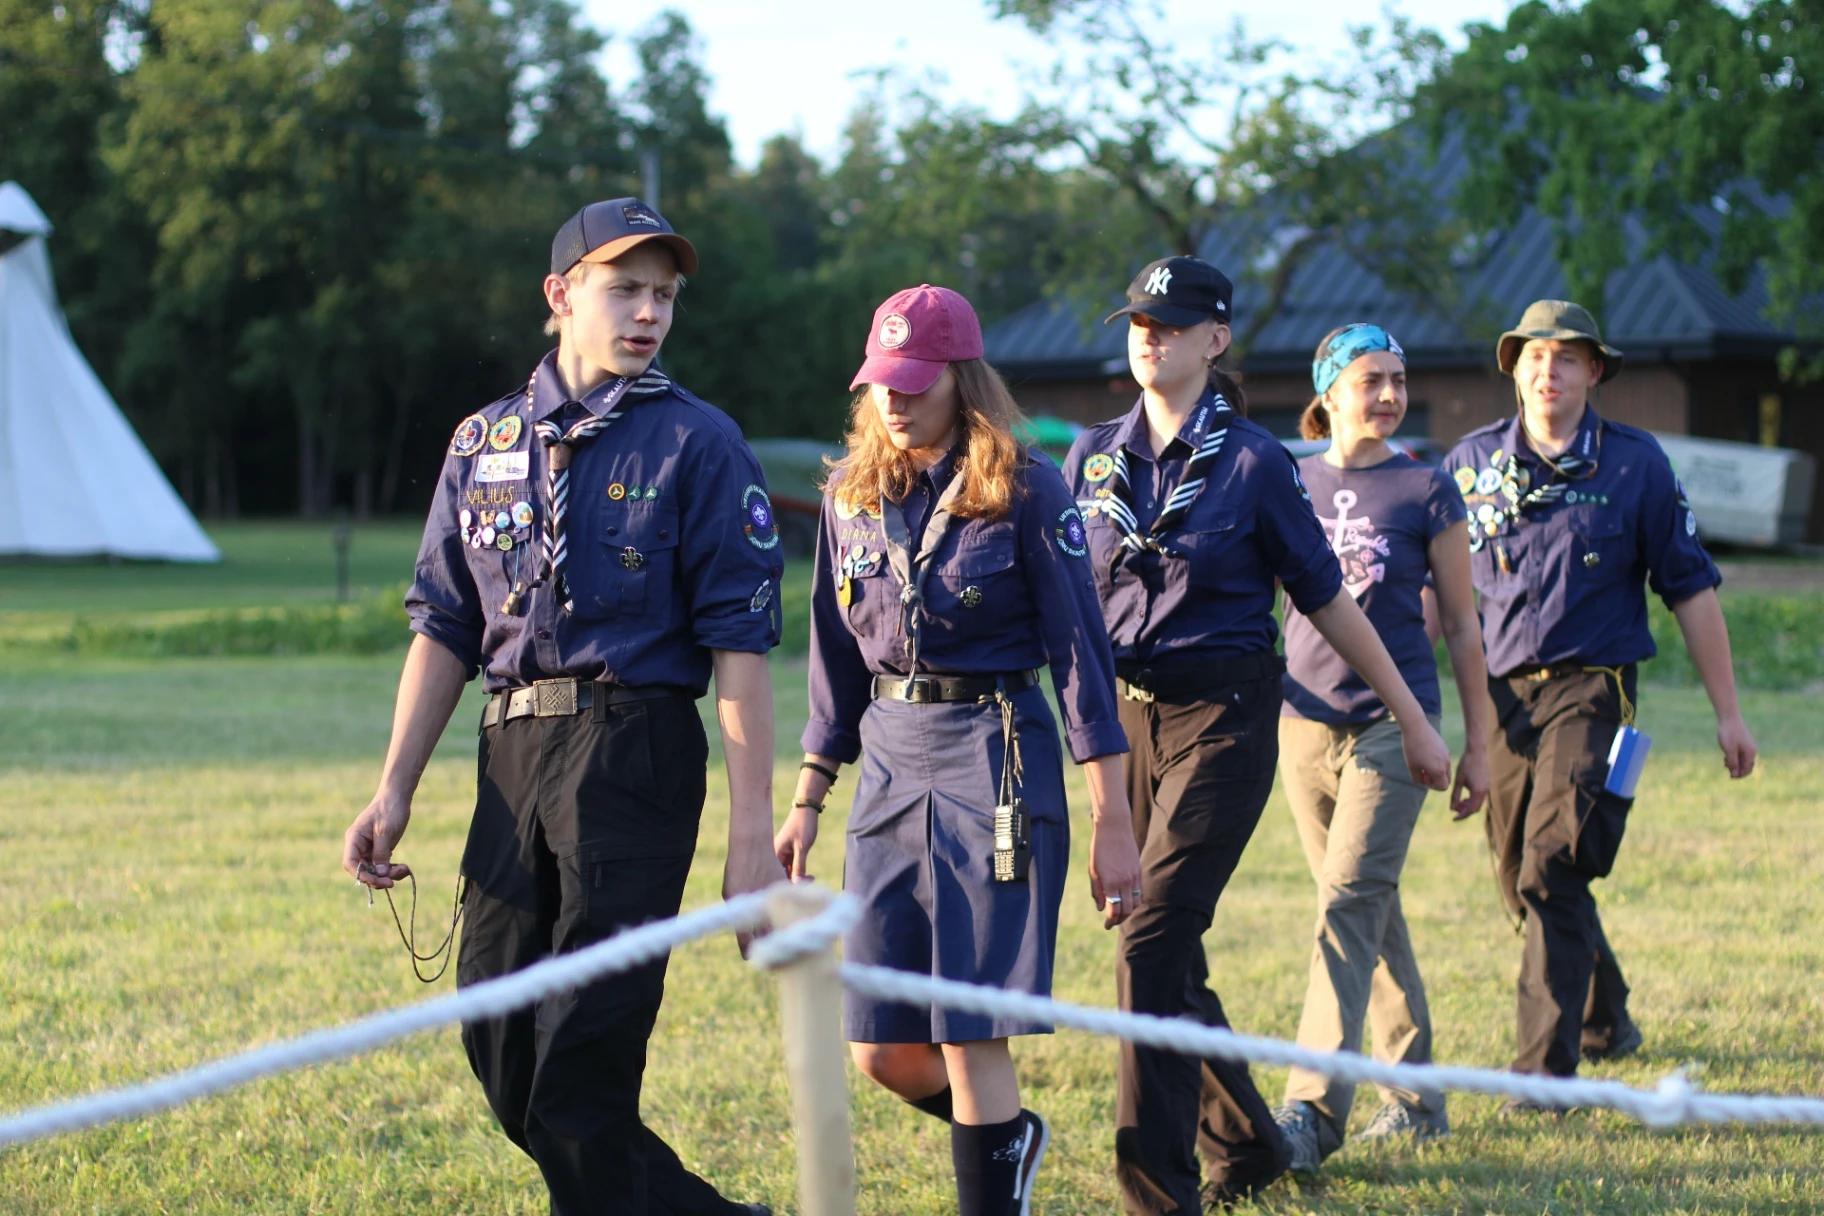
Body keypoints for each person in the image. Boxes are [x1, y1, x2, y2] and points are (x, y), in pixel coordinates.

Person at [341, 197, 784, 1216]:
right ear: (561, 293)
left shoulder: (699, 442)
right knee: (502, 1043)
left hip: (631, 748)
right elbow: (444, 625)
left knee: (582, 1063)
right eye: (626, 289)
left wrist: (752, 840)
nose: (650, 312)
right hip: (510, 748)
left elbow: (741, 647)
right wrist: (393, 788)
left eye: (665, 294)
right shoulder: (482, 440)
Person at [1060, 257, 1451, 1214]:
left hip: (1226, 717)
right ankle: (1248, 1141)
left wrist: (1412, 716)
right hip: (1128, 721)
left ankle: (1159, 1193)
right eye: (1139, 321)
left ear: (1216, 339)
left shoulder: (1253, 462)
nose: (1150, 335)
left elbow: (1326, 598)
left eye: (1171, 322)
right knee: (1164, 951)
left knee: (1151, 940)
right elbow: (1066, 605)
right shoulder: (1092, 458)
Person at [777, 283, 1143, 1216]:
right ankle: (1007, 1138)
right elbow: (833, 661)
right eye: (882, 382)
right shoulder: (849, 495)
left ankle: (990, 1183)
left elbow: (1082, 661)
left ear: (961, 379)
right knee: (880, 1044)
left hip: (996, 760)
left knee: (970, 1030)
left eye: (915, 382)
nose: (895, 400)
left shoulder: (1027, 489)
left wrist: (1112, 820)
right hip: (890, 765)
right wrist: (808, 796)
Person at [1442, 299, 1757, 1097]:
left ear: (1593, 371)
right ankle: (1606, 1017)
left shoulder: (1636, 464)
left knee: (1554, 863)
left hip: (1595, 691)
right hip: (1503, 698)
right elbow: (1435, 593)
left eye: (1567, 358)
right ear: (1515, 369)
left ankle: (1544, 1076)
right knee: (1520, 877)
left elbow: (1691, 591)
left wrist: (1728, 714)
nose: (1549, 371)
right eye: (1535, 356)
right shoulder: (1469, 465)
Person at [1268, 324, 1492, 1170]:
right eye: (1372, 379)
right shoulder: (1287, 481)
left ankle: (1309, 1113)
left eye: (1399, 378)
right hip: (1300, 727)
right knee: (1368, 908)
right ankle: (1417, 1099)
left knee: (1347, 906)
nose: (1392, 394)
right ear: (1328, 392)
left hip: (1395, 730)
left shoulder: (1427, 489)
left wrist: (1475, 744)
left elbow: (1463, 627)